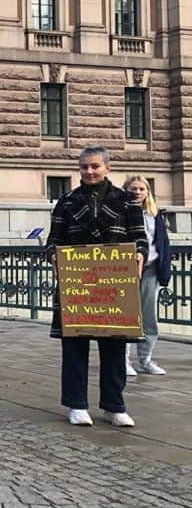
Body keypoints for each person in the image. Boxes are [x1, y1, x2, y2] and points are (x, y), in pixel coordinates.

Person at [46, 147, 147, 428]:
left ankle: (115, 405)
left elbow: (139, 237)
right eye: (84, 167)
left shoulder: (127, 201)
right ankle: (76, 404)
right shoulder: (66, 201)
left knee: (114, 348)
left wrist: (139, 253)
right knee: (75, 349)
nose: (89, 172)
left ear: (107, 167)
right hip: (77, 285)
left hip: (114, 286)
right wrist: (54, 255)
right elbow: (54, 239)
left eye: (94, 167)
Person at [123, 175, 172, 376]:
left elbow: (163, 243)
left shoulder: (155, 214)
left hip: (151, 268)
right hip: (126, 270)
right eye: (133, 188)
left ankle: (145, 359)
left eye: (142, 189)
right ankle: (123, 360)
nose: (137, 192)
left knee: (149, 317)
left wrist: (164, 270)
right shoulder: (121, 212)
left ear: (148, 193)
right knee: (126, 316)